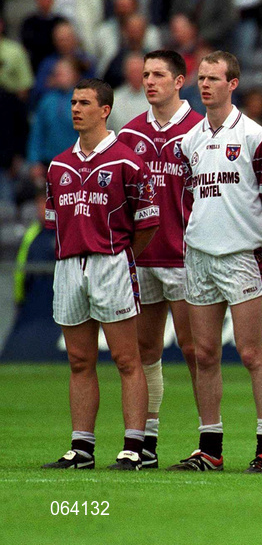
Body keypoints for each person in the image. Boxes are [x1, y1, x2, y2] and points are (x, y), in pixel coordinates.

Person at [168, 51, 262, 473]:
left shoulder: (256, 137)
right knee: (204, 355)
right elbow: (189, 199)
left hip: (239, 256)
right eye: (201, 78)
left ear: (232, 84)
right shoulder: (189, 140)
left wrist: (258, 246)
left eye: (214, 78)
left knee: (253, 353)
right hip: (199, 256)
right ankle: (210, 448)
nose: (205, 85)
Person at [41, 78, 159, 471]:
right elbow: (54, 222)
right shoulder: (58, 165)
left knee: (127, 359)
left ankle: (133, 448)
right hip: (70, 265)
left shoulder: (127, 161)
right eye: (74, 102)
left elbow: (148, 223)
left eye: (84, 102)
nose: (75, 108)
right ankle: (82, 448)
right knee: (79, 359)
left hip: (111, 263)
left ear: (104, 110)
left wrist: (122, 255)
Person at [115, 50, 205, 469]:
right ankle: (145, 443)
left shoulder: (200, 131)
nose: (149, 81)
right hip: (145, 258)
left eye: (158, 75)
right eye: (146, 74)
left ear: (180, 80)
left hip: (186, 259)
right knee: (145, 349)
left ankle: (210, 440)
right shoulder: (130, 134)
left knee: (193, 349)